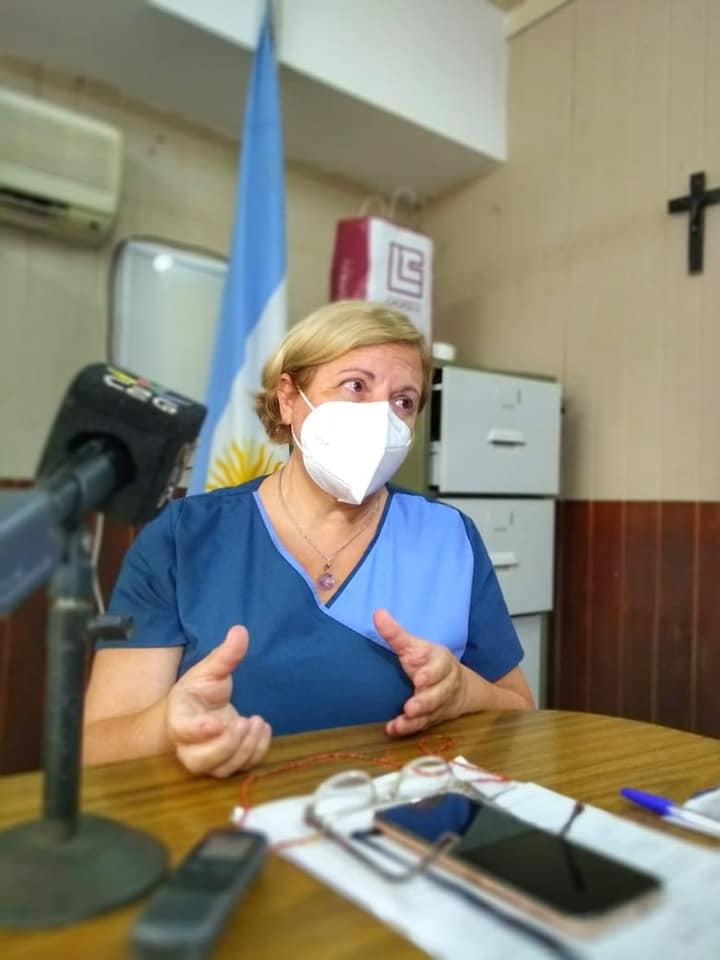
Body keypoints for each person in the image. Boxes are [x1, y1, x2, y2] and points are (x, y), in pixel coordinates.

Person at [83, 300, 533, 777]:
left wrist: (464, 691)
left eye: (403, 401)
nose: (380, 416)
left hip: (402, 812)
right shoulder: (184, 537)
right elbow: (97, 746)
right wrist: (167, 729)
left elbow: (520, 711)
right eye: (356, 386)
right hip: (230, 813)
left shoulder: (448, 538)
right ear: (288, 399)